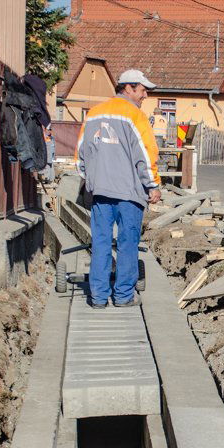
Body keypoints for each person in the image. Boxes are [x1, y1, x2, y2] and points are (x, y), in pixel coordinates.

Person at [75, 69, 162, 308]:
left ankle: (98, 297)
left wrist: (90, 181)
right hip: (129, 194)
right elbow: (145, 154)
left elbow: (81, 154)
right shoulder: (135, 116)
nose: (145, 95)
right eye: (143, 90)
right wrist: (153, 185)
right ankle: (123, 296)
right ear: (129, 88)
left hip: (101, 193)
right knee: (127, 245)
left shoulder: (93, 114)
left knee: (101, 243)